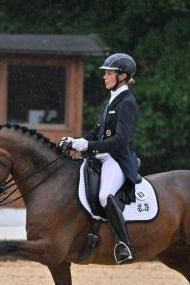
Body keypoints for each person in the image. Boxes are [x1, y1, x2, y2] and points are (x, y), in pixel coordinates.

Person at [59, 53, 141, 264]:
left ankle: (125, 245)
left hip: (116, 159)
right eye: (105, 73)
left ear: (122, 76)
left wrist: (87, 146)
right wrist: (75, 141)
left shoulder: (127, 103)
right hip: (100, 157)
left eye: (109, 73)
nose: (104, 76)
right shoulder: (111, 101)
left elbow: (120, 141)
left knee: (105, 196)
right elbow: (96, 133)